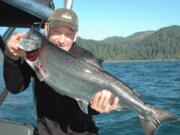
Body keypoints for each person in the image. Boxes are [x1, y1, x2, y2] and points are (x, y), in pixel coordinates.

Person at [3, 8, 119, 135]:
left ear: (75, 35)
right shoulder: (37, 52)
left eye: (68, 34)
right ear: (47, 29)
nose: (62, 40)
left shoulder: (86, 59)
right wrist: (11, 58)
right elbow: (15, 88)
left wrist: (97, 107)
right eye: (57, 32)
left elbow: (90, 105)